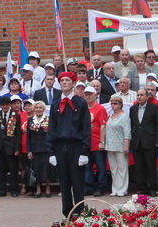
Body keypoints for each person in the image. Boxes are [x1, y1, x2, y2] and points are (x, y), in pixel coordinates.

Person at [47, 71, 92, 217]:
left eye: (67, 80)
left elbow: (85, 128)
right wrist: (51, 151)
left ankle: (80, 211)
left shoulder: (81, 103)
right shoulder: (55, 104)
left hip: (76, 147)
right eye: (62, 80)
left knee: (77, 182)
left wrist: (85, 151)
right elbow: (52, 128)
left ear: (73, 83)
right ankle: (67, 213)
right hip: (60, 147)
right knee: (64, 182)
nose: (64, 82)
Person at [130, 84, 158, 195]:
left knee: (150, 166)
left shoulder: (154, 108)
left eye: (141, 95)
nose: (139, 97)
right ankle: (142, 188)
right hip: (137, 142)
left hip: (150, 141)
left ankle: (152, 188)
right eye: (138, 95)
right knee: (139, 167)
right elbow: (133, 125)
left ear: (147, 96)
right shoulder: (133, 109)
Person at [103, 95, 132, 197]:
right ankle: (115, 188)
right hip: (110, 146)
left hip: (120, 145)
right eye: (111, 103)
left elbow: (127, 132)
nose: (113, 105)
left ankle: (122, 189)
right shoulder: (110, 116)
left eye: (115, 103)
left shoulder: (124, 117)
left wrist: (126, 145)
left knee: (122, 168)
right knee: (113, 169)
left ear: (120, 105)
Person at [83, 87, 109, 197]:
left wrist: (102, 141)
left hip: (97, 142)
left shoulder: (100, 109)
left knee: (101, 167)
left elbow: (103, 126)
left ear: (95, 95)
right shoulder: (83, 109)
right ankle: (88, 187)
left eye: (90, 94)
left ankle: (101, 187)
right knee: (87, 167)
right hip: (86, 143)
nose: (88, 96)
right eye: (86, 94)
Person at [26, 101, 53, 198]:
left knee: (47, 169)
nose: (38, 109)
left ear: (44, 109)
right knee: (36, 169)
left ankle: (48, 188)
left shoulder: (48, 119)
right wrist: (29, 150)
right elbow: (28, 136)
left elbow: (51, 135)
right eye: (37, 107)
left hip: (46, 148)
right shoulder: (30, 120)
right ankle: (38, 189)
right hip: (35, 148)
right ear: (34, 109)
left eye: (40, 107)